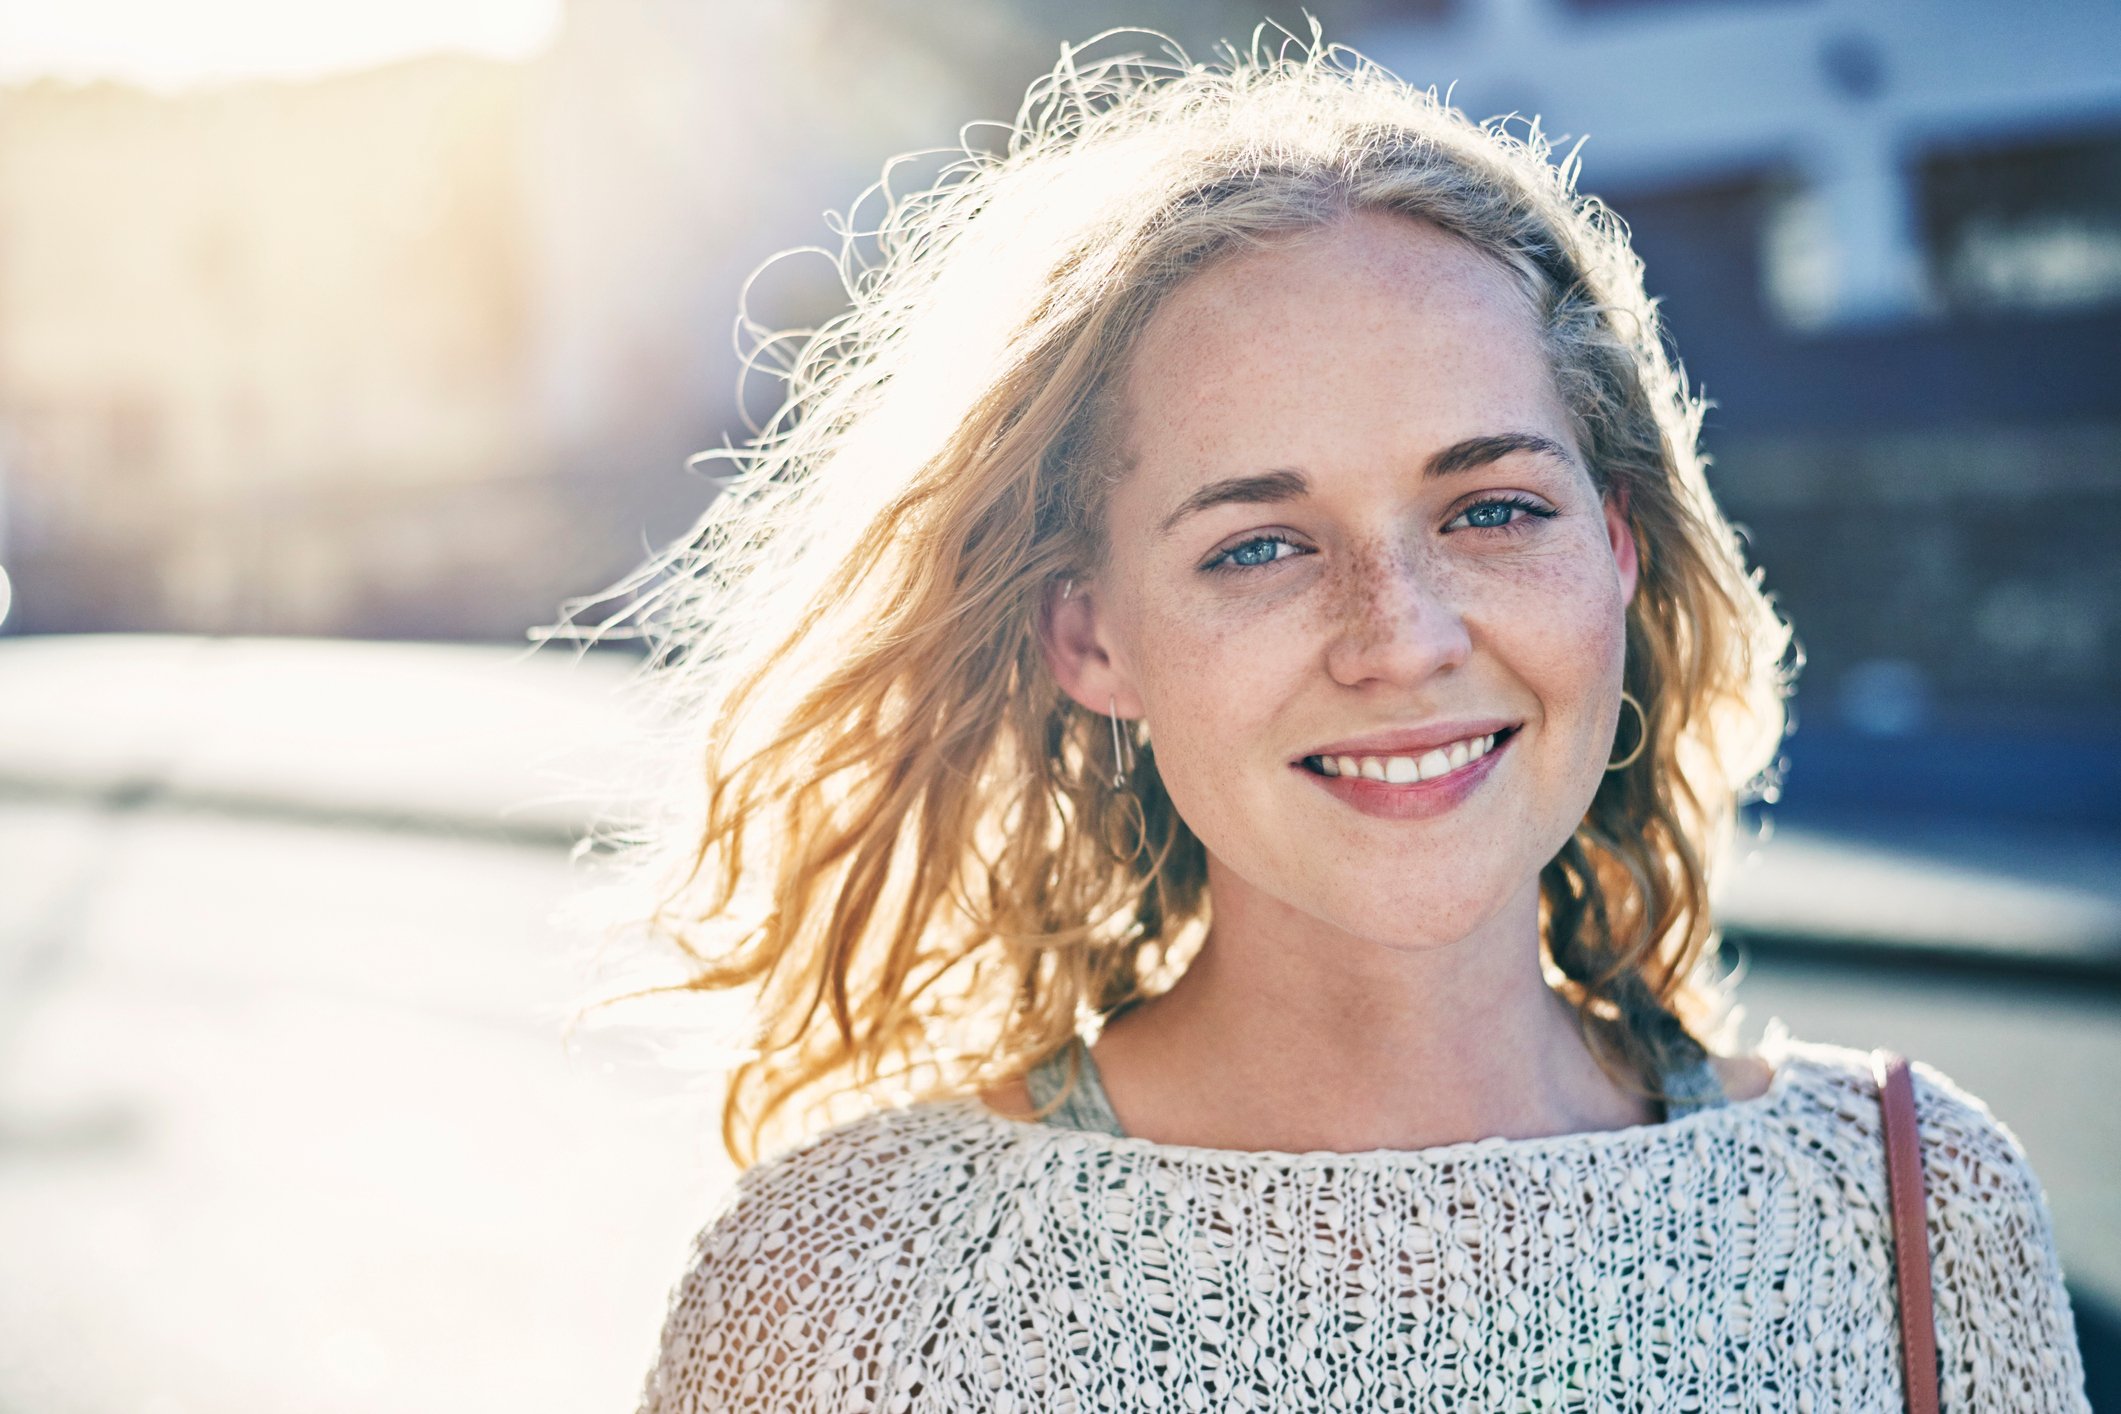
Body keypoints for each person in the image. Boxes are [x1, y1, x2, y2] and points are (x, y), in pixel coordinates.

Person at [618, 32, 2089, 1412]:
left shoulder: (1911, 1216)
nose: (1401, 636)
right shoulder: (844, 1300)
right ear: (1088, 633)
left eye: (1493, 509)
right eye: (1258, 544)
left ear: (1616, 549)